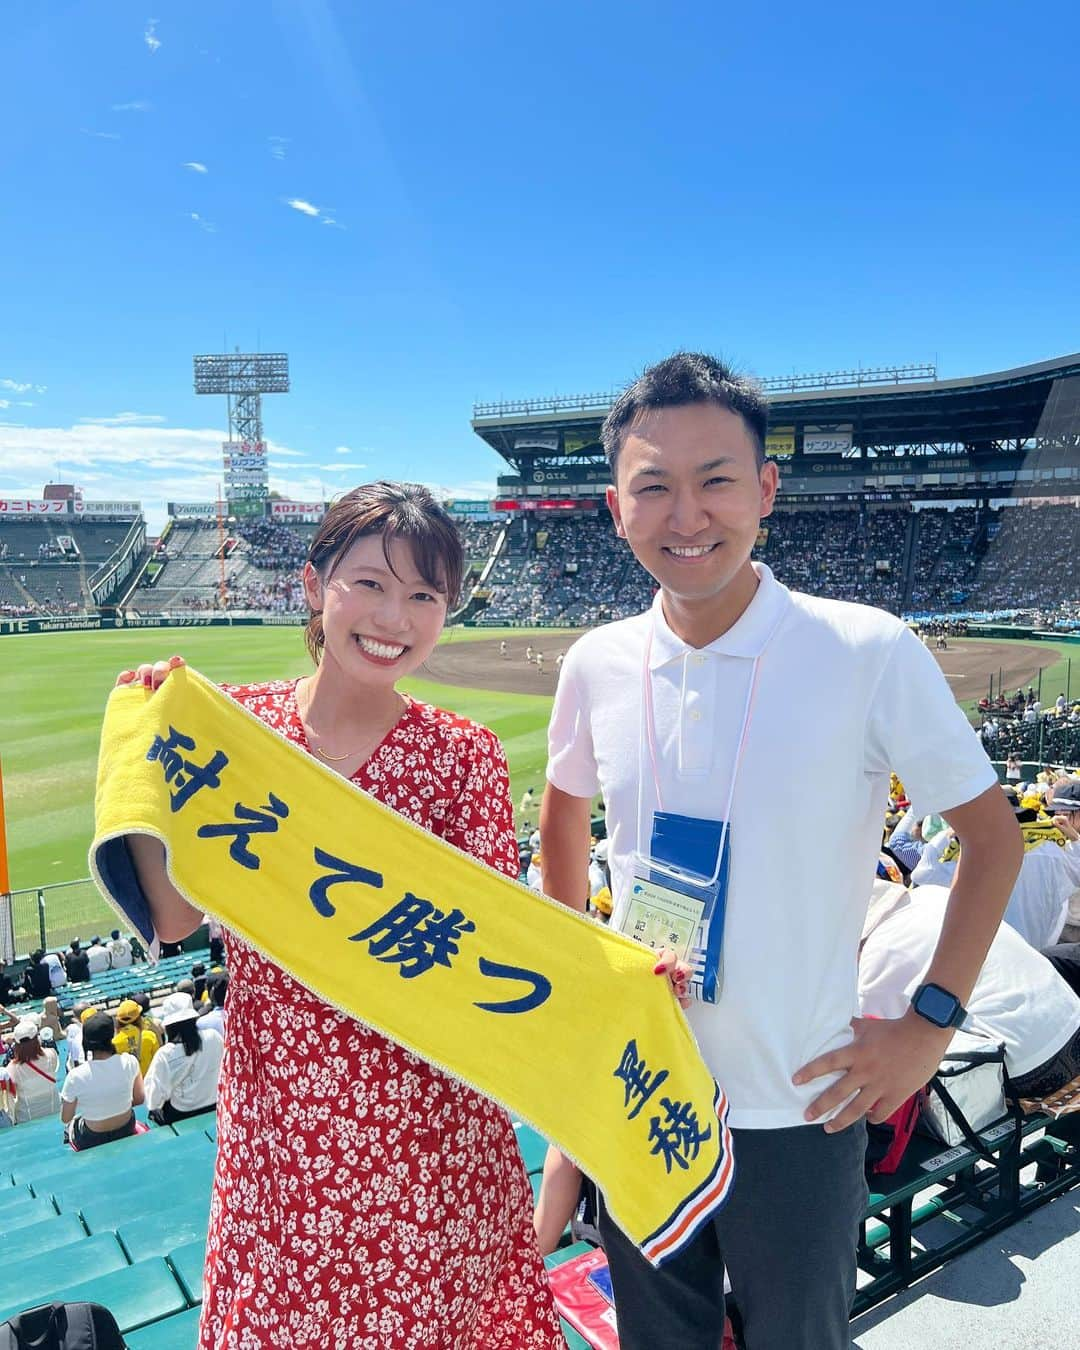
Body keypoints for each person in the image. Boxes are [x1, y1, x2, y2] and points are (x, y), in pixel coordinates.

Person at [539, 353, 1021, 1350]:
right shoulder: (594, 663)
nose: (687, 515)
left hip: (801, 1107)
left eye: (716, 479)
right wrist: (576, 976)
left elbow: (992, 839)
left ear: (765, 488)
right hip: (642, 1092)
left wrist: (929, 1024)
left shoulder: (866, 649)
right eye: (653, 486)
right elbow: (562, 813)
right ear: (614, 505)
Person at [111, 482, 562, 1348]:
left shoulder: (464, 756)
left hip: (434, 1131)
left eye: (426, 595)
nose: (397, 616)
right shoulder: (234, 729)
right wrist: (151, 746)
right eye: (372, 584)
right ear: (315, 586)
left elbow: (497, 944)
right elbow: (172, 919)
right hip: (287, 1130)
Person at [860, 881, 1080, 1097]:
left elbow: (881, 1045)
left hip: (1029, 1064)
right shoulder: (931, 894)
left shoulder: (876, 957)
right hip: (1070, 1019)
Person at [59, 1012, 144, 1149]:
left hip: (92, 1137)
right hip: (126, 1128)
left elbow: (66, 1118)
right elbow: (139, 1099)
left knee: (69, 1127)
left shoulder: (75, 1076)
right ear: (113, 1034)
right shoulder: (130, 1061)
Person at [144, 993, 225, 1125]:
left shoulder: (165, 1054)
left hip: (182, 1112)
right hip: (216, 1102)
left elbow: (153, 1099)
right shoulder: (214, 1037)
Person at [1, 1020, 61, 1123]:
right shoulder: (51, 1054)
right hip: (55, 1111)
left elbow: (11, 1094)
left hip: (27, 1119)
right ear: (37, 1038)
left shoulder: (12, 1068)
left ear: (16, 1044)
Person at [112, 999, 159, 1075]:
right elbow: (158, 1062)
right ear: (139, 1018)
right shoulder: (150, 1036)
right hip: (150, 1083)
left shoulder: (114, 1043)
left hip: (130, 1085)